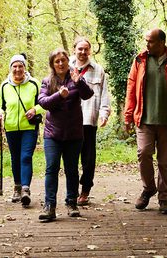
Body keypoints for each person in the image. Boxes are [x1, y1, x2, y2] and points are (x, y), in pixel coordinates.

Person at [124, 28, 167, 214]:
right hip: (144, 119)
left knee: (164, 161)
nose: (147, 44)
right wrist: (128, 115)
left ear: (162, 42)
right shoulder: (140, 60)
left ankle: (164, 199)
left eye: (151, 41)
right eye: (146, 41)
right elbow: (131, 87)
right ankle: (148, 188)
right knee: (144, 153)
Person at [37, 48, 94, 222]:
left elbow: (88, 95)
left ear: (67, 62)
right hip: (53, 133)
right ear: (52, 65)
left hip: (74, 133)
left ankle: (71, 203)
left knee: (72, 169)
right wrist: (59, 96)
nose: (61, 64)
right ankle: (49, 206)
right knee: (51, 168)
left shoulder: (76, 78)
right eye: (57, 61)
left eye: (63, 60)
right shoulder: (47, 81)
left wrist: (79, 82)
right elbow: (43, 102)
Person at [0, 53, 45, 208]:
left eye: (20, 66)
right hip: (10, 127)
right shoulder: (5, 86)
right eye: (14, 66)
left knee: (25, 157)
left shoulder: (35, 84)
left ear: (25, 68)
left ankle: (25, 189)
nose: (17, 69)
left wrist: (35, 110)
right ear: (11, 68)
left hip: (29, 127)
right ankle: (17, 187)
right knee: (15, 157)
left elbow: (44, 103)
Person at [69, 37, 111, 206]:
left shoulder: (98, 70)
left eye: (86, 49)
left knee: (88, 158)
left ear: (90, 51)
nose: (83, 52)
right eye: (80, 49)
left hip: (89, 119)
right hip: (70, 120)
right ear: (74, 50)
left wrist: (104, 114)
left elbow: (104, 94)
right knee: (71, 158)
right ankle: (72, 191)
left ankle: (85, 189)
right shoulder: (66, 67)